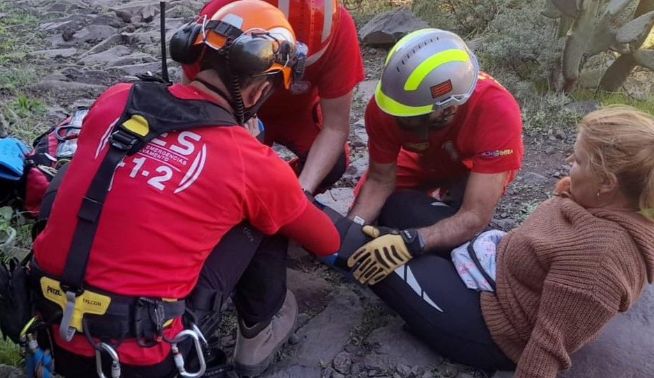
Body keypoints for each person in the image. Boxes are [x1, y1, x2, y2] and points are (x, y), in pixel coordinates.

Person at [29, 1, 340, 377]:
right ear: (259, 91)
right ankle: (260, 331)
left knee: (82, 169)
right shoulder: (253, 163)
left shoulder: (117, 99)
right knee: (268, 216)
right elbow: (328, 242)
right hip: (141, 355)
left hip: (48, 323)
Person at [347, 106, 654, 377]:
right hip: (496, 266)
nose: (569, 159)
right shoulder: (597, 201)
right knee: (399, 205)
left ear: (607, 183)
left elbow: (547, 348)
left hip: (495, 326)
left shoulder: (600, 261)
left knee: (372, 254)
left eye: (580, 160)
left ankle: (313, 218)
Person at [348, 28, 524, 261]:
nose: (397, 119)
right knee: (375, 204)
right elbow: (380, 180)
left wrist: (415, 241)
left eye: (410, 117)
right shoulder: (389, 106)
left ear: (448, 109)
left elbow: (474, 215)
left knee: (459, 227)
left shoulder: (496, 112)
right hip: (426, 157)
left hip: (473, 166)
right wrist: (350, 232)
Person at [181, 0, 365, 195]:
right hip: (232, 113)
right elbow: (193, 108)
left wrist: (301, 193)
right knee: (216, 175)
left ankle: (281, 190)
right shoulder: (222, 15)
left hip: (297, 115)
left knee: (332, 165)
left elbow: (334, 128)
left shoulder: (339, 27)